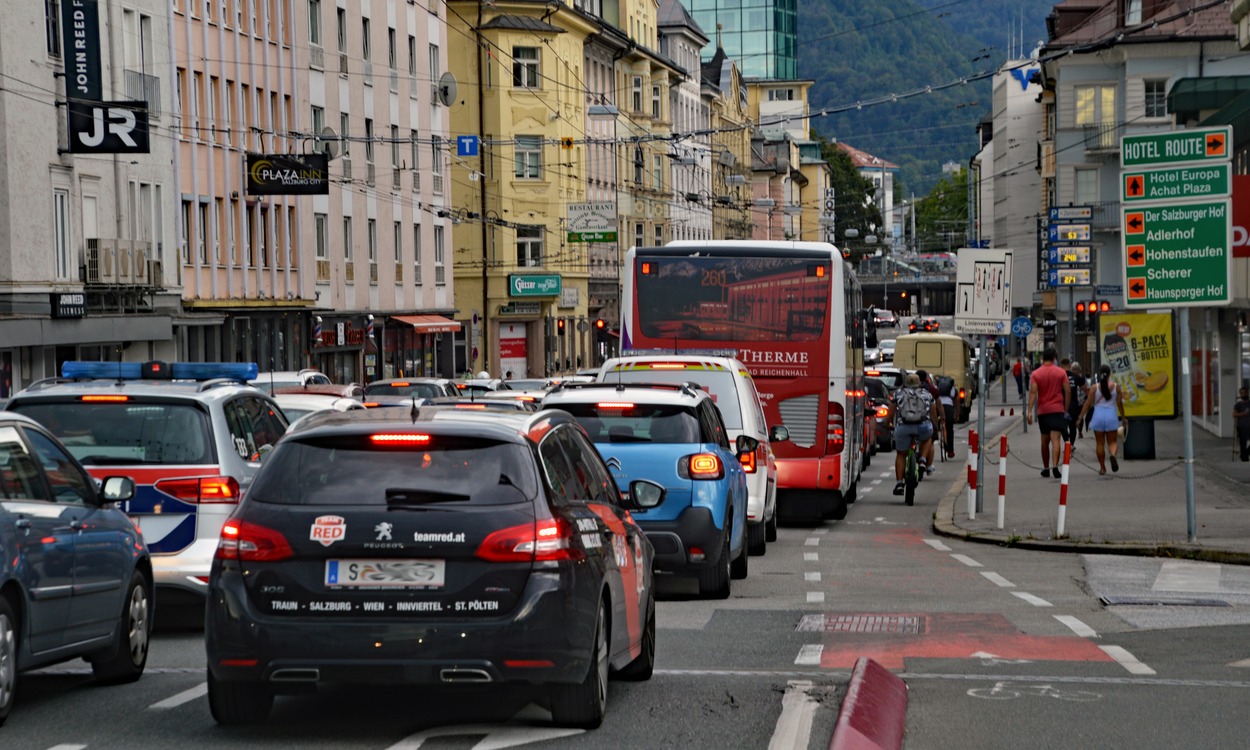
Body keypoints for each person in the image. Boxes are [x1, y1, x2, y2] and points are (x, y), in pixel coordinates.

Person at [892, 373, 942, 496]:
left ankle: (899, 483)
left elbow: (891, 411)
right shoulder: (927, 394)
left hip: (903, 427)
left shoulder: (898, 394)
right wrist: (935, 426)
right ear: (919, 383)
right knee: (927, 438)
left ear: (905, 383)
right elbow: (933, 412)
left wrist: (888, 424)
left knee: (901, 454)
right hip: (922, 426)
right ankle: (922, 460)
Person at [1026, 347, 1071, 478]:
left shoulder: (1036, 374)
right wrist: (1066, 408)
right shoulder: (1061, 372)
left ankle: (1046, 468)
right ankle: (1055, 467)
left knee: (1044, 440)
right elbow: (1067, 390)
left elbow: (1033, 392)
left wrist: (1029, 411)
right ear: (1054, 358)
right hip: (1057, 410)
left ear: (1043, 358)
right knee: (1056, 439)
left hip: (1043, 411)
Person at [1077, 364, 1126, 474]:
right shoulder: (1117, 387)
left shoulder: (1095, 387)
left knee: (1100, 443)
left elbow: (1087, 404)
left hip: (1098, 415)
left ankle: (1102, 467)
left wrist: (1080, 417)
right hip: (1111, 416)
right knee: (1112, 441)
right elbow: (1119, 404)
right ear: (1109, 374)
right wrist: (1123, 417)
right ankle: (1112, 455)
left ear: (1100, 374)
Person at [915, 371, 943, 470]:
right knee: (929, 440)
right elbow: (937, 406)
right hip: (926, 420)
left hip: (909, 421)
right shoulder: (932, 390)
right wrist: (939, 420)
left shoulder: (908, 390)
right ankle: (929, 465)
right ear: (927, 378)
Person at [934, 373, 957, 458]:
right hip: (949, 407)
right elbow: (957, 400)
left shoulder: (937, 388)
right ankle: (950, 451)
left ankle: (934, 436)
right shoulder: (953, 389)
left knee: (934, 425)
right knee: (950, 428)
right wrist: (956, 413)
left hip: (938, 406)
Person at [1066, 362, 1087, 443]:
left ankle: (1079, 432)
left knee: (1079, 419)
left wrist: (1086, 399)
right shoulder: (1070, 377)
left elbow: (1086, 388)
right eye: (1073, 369)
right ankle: (1070, 438)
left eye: (1076, 369)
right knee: (1071, 422)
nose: (1075, 371)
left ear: (1079, 370)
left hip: (1080, 402)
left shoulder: (1081, 378)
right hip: (1072, 404)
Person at [1234, 386, 1250, 462]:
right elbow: (1234, 414)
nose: (1243, 394)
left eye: (1245, 393)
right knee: (1243, 443)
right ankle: (1244, 458)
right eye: (1242, 393)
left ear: (1248, 393)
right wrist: (1244, 413)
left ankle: (1247, 453)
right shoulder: (1238, 404)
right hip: (1242, 426)